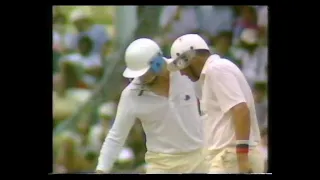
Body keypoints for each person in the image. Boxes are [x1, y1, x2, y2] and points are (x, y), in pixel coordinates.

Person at [96, 38, 208, 174]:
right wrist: (101, 169)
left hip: (198, 157)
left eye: (144, 73)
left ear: (157, 62)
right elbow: (116, 136)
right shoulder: (132, 94)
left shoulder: (185, 72)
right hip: (161, 163)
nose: (140, 78)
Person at [166, 34, 264, 173]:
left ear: (190, 59)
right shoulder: (212, 74)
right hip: (228, 158)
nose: (181, 72)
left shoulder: (217, 69)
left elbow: (241, 110)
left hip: (231, 157)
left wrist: (242, 159)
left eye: (180, 65)